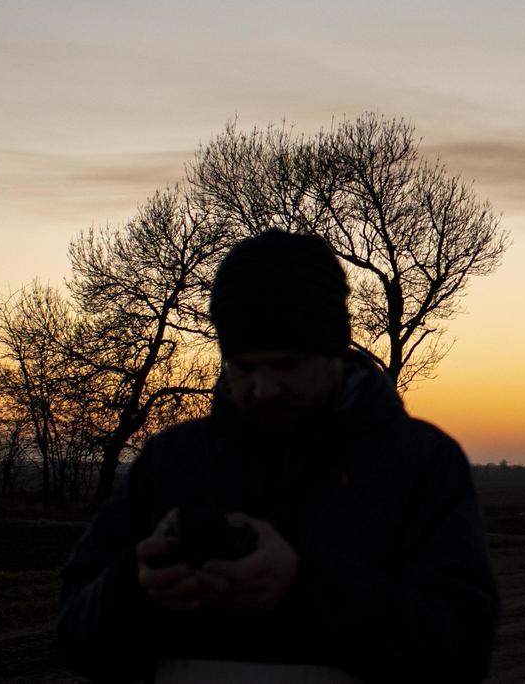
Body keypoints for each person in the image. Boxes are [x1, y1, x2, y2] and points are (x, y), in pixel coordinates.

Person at [57, 229, 499, 683]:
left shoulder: (421, 463)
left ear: (334, 352)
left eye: (286, 364)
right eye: (244, 367)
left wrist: (304, 584)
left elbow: (462, 651)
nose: (263, 389)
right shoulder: (170, 459)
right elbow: (72, 635)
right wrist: (133, 588)